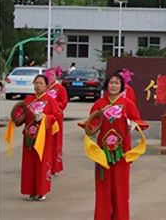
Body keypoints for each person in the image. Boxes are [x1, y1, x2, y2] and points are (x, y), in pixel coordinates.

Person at [82, 73, 147, 220]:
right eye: (111, 82)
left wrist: (133, 124)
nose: (113, 85)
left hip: (122, 152)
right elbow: (90, 124)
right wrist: (90, 129)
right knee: (103, 186)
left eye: (117, 83)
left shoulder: (128, 104)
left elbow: (139, 121)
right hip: (102, 152)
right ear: (106, 85)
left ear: (122, 86)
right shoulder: (99, 104)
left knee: (120, 187)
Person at [4, 74, 61, 201]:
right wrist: (15, 118)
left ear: (46, 86)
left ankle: (41, 191)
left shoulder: (50, 101)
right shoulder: (28, 100)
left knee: (41, 163)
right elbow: (21, 114)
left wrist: (45, 117)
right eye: (36, 83)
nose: (38, 85)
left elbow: (56, 116)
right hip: (29, 136)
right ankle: (31, 190)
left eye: (41, 83)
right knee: (29, 164)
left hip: (43, 138)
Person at [46, 67, 69, 176]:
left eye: (51, 75)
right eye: (48, 75)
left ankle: (54, 166)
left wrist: (52, 105)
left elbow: (63, 103)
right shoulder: (44, 87)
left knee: (55, 140)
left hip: (55, 118)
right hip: (44, 117)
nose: (49, 77)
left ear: (56, 76)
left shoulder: (60, 88)